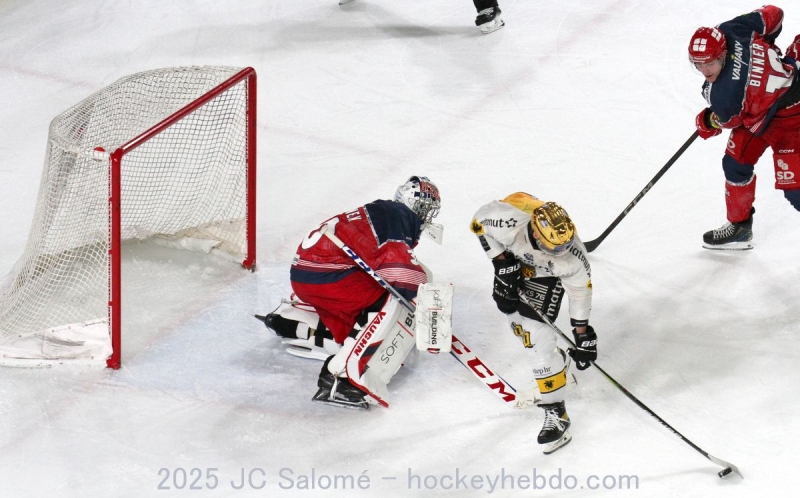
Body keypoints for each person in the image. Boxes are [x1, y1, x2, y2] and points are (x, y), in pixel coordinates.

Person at [257, 176, 442, 410]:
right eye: (425, 208)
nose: (427, 216)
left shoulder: (382, 211)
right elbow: (400, 272)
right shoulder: (398, 214)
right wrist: (429, 307)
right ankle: (344, 379)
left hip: (308, 274)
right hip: (327, 276)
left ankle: (291, 319)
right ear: (412, 204)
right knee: (388, 299)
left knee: (370, 301)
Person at [470, 193, 596, 454]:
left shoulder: (571, 257)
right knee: (510, 313)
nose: (561, 252)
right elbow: (478, 224)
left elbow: (580, 293)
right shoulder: (506, 222)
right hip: (516, 260)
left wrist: (582, 335)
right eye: (554, 248)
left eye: (564, 246)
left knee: (535, 342)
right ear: (536, 234)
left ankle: (557, 414)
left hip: (546, 276)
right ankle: (556, 364)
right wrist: (502, 263)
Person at [689, 5, 800, 250]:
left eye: (711, 63)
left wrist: (708, 122)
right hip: (764, 112)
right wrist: (765, 48)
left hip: (793, 119)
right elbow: (774, 14)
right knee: (735, 163)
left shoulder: (725, 95)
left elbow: (729, 120)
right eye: (699, 64)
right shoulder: (732, 30)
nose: (705, 70)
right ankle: (739, 228)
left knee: (796, 191)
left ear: (723, 53)